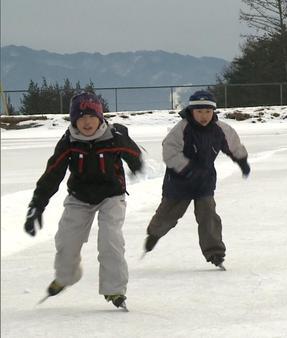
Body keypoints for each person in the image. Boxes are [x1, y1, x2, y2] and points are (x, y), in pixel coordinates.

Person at [24, 92, 143, 310]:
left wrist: (137, 164)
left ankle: (114, 289)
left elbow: (134, 154)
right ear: (73, 120)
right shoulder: (69, 141)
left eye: (91, 116)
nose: (86, 122)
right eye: (81, 117)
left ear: (100, 117)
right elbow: (52, 174)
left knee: (111, 241)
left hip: (111, 195)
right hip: (79, 197)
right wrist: (36, 206)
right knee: (66, 241)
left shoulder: (114, 136)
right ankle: (66, 276)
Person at [143, 90, 250, 270]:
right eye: (199, 111)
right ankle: (154, 234)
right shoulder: (182, 129)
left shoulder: (220, 129)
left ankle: (215, 253)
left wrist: (242, 160)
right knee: (168, 215)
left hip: (204, 182)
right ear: (191, 111)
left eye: (207, 112)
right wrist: (188, 169)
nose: (203, 116)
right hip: (178, 182)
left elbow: (232, 144)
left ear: (213, 112)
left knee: (208, 216)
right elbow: (169, 151)